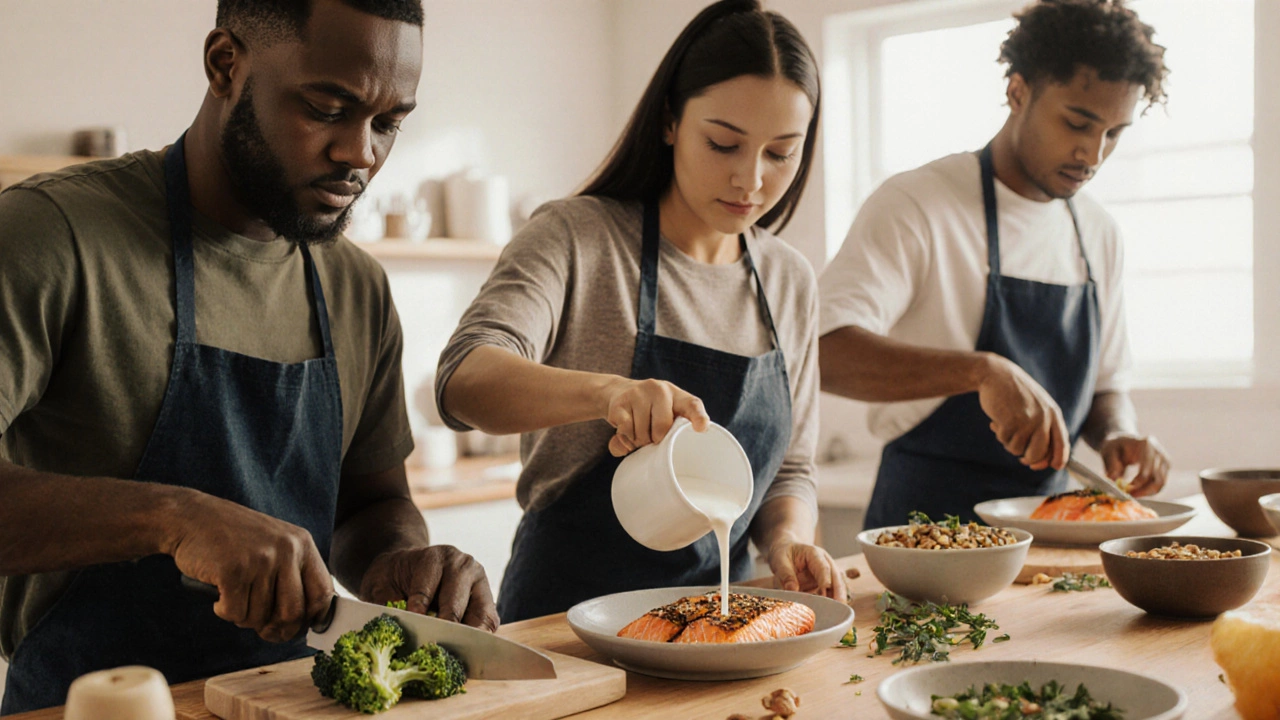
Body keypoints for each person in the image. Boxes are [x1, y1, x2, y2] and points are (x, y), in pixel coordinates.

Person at [0, 0, 496, 713]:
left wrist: (403, 566)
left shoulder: (354, 286)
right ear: (226, 65)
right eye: (328, 107)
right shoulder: (51, 236)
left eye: (388, 123)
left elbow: (374, 504)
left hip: (296, 703)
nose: (361, 152)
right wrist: (175, 518)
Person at [436, 0, 844, 623]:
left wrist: (788, 540)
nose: (750, 180)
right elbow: (464, 380)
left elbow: (790, 469)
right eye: (724, 143)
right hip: (567, 624)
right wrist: (607, 394)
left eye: (780, 153)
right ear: (670, 122)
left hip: (715, 625)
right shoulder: (578, 237)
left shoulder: (789, 278)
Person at [819, 0, 1173, 530]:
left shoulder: (1097, 232)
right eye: (1077, 123)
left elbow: (1105, 385)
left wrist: (1119, 432)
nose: (1093, 154)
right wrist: (978, 370)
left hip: (1051, 532)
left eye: (1114, 133)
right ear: (1017, 91)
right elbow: (821, 352)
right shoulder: (919, 204)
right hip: (923, 530)